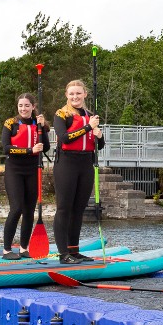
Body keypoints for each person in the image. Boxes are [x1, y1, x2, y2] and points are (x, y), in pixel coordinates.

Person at [52, 79, 105, 264]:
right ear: (67, 95)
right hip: (66, 164)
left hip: (85, 164)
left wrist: (100, 135)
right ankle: (63, 253)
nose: (75, 96)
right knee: (64, 208)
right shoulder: (61, 114)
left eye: (78, 93)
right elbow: (65, 138)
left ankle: (74, 251)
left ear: (85, 94)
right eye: (71, 93)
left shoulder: (91, 115)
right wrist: (88, 127)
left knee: (78, 209)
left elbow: (99, 146)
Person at [0, 93, 50, 260]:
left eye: (27, 105)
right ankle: (7, 250)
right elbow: (6, 148)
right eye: (21, 105)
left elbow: (46, 147)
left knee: (29, 210)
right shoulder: (10, 123)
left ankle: (23, 248)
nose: (23, 108)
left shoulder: (38, 124)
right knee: (17, 208)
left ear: (33, 107)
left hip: (32, 170)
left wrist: (43, 127)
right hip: (14, 169)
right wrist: (29, 150)